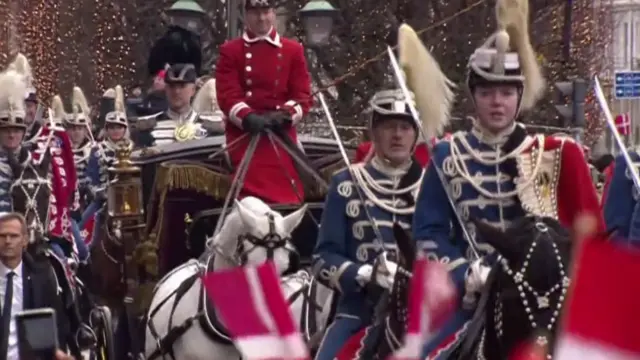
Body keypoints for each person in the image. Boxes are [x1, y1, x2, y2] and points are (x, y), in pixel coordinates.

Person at [412, 1, 603, 357]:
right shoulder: (448, 156)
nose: (496, 102)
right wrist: (463, 273)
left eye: (506, 93)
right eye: (486, 93)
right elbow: (428, 232)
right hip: (475, 295)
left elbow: (589, 232)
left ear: (519, 97)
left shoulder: (553, 153)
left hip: (544, 296)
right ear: (473, 97)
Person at [215, 0, 312, 205]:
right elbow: (227, 94)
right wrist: (248, 117)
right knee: (245, 188)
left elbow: (303, 95)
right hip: (245, 135)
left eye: (265, 11)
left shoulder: (293, 50)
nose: (261, 18)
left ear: (273, 13)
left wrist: (286, 115)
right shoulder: (230, 51)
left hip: (281, 134)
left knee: (300, 180)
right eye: (255, 12)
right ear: (246, 15)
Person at [0, 212, 69, 359]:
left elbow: (57, 326)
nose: (7, 241)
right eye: (2, 236)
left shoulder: (42, 278)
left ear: (24, 240)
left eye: (13, 236)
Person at [84, 85, 133, 245]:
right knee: (83, 229)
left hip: (130, 199)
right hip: (103, 201)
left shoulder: (134, 149)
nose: (116, 131)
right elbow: (90, 180)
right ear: (106, 129)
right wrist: (101, 194)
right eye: (112, 127)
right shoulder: (98, 150)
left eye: (119, 127)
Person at [133, 63, 208, 146]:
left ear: (193, 90)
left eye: (182, 86)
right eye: (172, 86)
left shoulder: (207, 127)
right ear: (166, 89)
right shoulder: (147, 129)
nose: (176, 91)